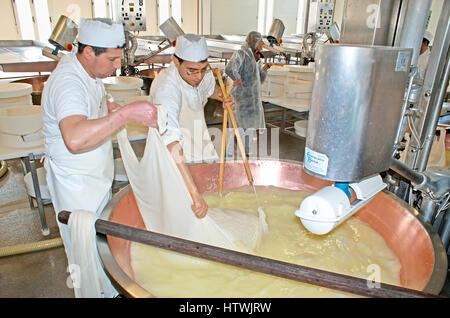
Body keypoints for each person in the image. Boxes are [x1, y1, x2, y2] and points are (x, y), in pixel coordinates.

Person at [41, 18, 159, 295]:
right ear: (89, 51)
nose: (117, 66)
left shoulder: (89, 73)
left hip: (94, 180)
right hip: (76, 187)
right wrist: (125, 114)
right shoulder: (68, 82)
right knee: (87, 254)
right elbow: (75, 138)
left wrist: (106, 109)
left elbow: (86, 112)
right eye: (112, 59)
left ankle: (109, 290)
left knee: (102, 247)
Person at [149, 34, 235, 219]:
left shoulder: (201, 74)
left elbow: (209, 90)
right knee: (181, 209)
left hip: (200, 145)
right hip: (175, 156)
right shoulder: (167, 88)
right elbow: (171, 142)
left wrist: (223, 96)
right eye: (192, 71)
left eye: (203, 70)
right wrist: (194, 194)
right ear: (175, 62)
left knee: (213, 201)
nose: (198, 76)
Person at [224, 31, 272, 158]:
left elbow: (258, 81)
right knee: (237, 131)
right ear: (254, 42)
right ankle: (228, 156)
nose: (262, 44)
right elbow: (229, 68)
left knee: (249, 132)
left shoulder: (256, 59)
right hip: (241, 102)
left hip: (253, 104)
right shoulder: (242, 54)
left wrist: (264, 70)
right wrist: (236, 78)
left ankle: (244, 156)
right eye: (261, 41)